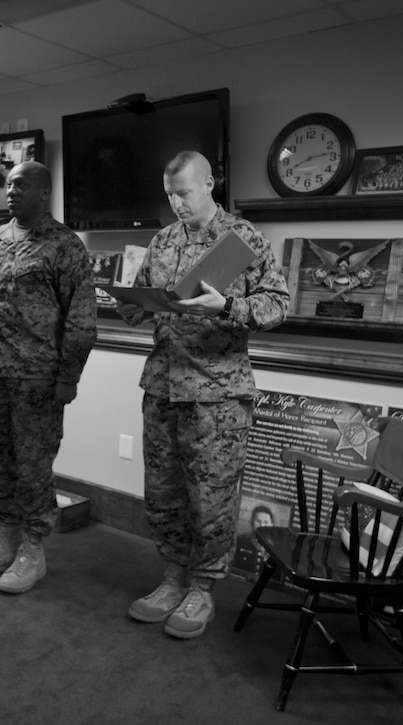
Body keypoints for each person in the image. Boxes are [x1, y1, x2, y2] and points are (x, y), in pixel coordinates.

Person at [118, 150, 290, 639]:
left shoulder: (243, 238)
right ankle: (172, 578)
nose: (176, 203)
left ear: (210, 183)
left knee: (210, 499)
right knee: (165, 493)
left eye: (185, 193)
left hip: (218, 395)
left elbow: (278, 305)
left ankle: (203, 588)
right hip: (162, 387)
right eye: (170, 194)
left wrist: (228, 306)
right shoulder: (163, 239)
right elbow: (145, 294)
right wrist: (133, 308)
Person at [0, 160, 97, 594]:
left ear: (44, 192)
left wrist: (68, 378)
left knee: (34, 465)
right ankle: (7, 540)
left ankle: (32, 551)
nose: (10, 191)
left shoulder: (65, 246)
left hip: (38, 377)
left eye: (20, 185)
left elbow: (82, 320)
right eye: (8, 185)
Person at [232, 504, 274, 578]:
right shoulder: (240, 541)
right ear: (252, 522)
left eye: (266, 522)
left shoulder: (275, 548)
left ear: (271, 525)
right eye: (258, 521)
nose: (261, 525)